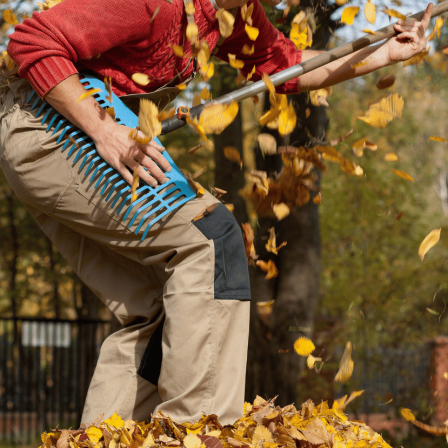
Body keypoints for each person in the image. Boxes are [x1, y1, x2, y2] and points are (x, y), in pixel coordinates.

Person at [0, 0, 432, 426]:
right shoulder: (155, 4)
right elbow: (32, 42)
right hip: (50, 127)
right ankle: (198, 430)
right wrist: (103, 129)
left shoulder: (237, 15)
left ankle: (106, 436)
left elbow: (287, 66)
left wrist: (384, 53)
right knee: (212, 237)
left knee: (173, 306)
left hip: (66, 138)